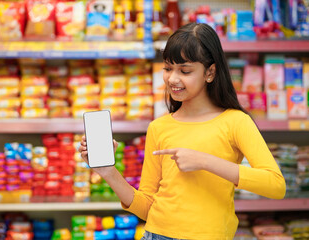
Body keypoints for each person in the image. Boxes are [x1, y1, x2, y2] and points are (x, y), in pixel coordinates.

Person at [78, 22, 286, 240]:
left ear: (210, 72)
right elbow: (147, 207)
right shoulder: (159, 127)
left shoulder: (235, 121)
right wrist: (109, 172)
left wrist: (205, 161)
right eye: (168, 68)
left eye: (185, 71)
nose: (173, 79)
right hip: (156, 235)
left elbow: (275, 185)